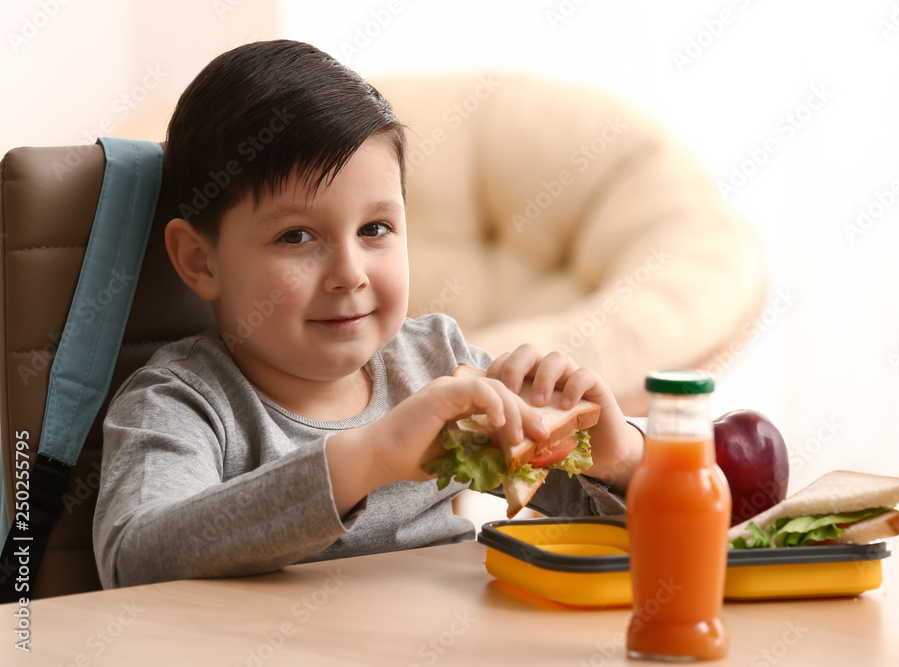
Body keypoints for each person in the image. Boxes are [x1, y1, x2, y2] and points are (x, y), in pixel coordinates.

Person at [92, 39, 644, 589]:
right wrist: (369, 458)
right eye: (296, 236)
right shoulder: (180, 401)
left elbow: (623, 530)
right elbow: (135, 558)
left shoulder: (438, 362)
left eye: (374, 229)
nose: (349, 273)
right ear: (200, 259)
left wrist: (619, 461)